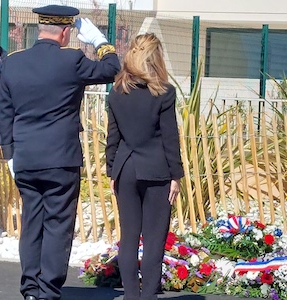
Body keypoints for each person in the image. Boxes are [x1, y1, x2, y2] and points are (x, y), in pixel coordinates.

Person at [0, 5, 120, 300]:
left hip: (25, 158)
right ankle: (48, 290)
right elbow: (112, 69)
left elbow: (4, 112)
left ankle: (29, 289)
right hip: (60, 158)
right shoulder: (72, 60)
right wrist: (99, 41)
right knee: (57, 225)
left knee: (31, 222)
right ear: (65, 32)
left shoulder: (13, 63)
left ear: (40, 29)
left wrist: (10, 154)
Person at [105, 33, 184, 300]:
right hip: (157, 170)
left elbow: (112, 137)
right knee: (153, 240)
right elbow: (170, 138)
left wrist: (111, 171)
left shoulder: (116, 92)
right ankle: (147, 296)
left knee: (128, 237)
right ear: (156, 58)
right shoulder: (165, 93)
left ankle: (131, 296)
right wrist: (176, 176)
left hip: (125, 169)